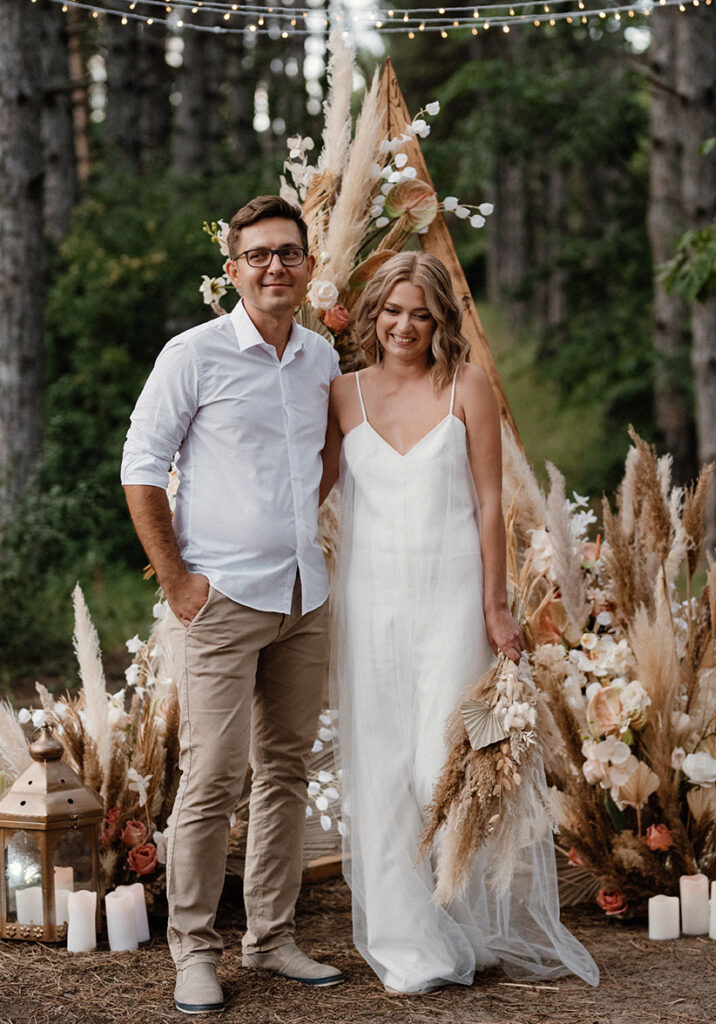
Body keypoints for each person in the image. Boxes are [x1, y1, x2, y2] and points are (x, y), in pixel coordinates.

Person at [322, 251, 599, 994]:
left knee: (437, 766)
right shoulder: (342, 394)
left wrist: (495, 606)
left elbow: (488, 501)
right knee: (381, 774)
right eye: (391, 310)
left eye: (420, 313)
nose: (403, 325)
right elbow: (310, 488)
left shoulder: (466, 386)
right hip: (370, 603)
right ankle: (408, 945)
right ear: (373, 315)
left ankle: (452, 917)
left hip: (451, 598)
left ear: (440, 319)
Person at [121, 195, 344, 1015]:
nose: (273, 266)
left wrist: (294, 527)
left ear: (308, 267)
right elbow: (141, 466)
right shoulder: (194, 353)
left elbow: (325, 454)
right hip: (220, 598)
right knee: (212, 775)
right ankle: (193, 949)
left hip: (303, 595)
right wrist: (179, 581)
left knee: (285, 770)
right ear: (233, 270)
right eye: (257, 254)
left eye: (288, 253)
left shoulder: (321, 357)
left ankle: (272, 937)